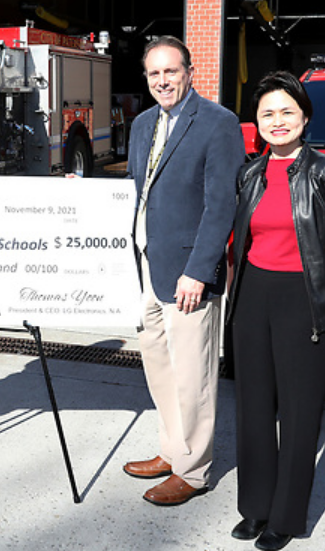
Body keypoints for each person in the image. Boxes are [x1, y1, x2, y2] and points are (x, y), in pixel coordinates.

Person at [226, 71, 325, 551]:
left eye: (287, 111)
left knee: (299, 412)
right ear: (257, 123)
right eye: (267, 113)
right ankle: (255, 508)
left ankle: (285, 516)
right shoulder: (250, 172)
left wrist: (324, 292)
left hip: (303, 297)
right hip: (252, 294)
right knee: (254, 408)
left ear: (304, 116)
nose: (277, 121)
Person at [122, 36, 245, 506]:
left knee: (193, 374)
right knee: (159, 364)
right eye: (154, 73)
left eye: (171, 71)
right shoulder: (142, 124)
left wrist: (199, 270)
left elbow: (221, 206)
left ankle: (193, 471)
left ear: (189, 71)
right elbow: (138, 189)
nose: (162, 81)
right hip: (151, 264)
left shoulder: (218, 124)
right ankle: (173, 449)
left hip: (190, 273)